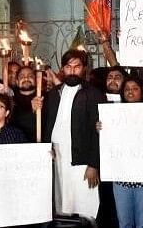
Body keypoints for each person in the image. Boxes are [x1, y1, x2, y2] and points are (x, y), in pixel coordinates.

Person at [38, 49, 106, 221]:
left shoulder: (94, 94)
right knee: (62, 205)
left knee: (85, 207)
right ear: (63, 68)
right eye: (68, 67)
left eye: (77, 67)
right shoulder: (54, 94)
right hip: (57, 158)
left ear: (84, 69)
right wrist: (47, 148)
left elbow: (99, 133)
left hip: (82, 159)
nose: (72, 70)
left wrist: (93, 164)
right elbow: (45, 125)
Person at [109, 76, 143, 228]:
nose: (130, 92)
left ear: (142, 91)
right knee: (124, 224)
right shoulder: (113, 115)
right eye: (127, 89)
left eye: (135, 88)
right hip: (121, 179)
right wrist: (101, 129)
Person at [11, 66, 41, 142]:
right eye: (22, 76)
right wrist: (32, 111)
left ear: (36, 80)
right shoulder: (10, 101)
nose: (26, 78)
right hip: (18, 145)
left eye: (30, 76)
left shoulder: (45, 97)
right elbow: (13, 125)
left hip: (42, 146)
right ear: (17, 82)